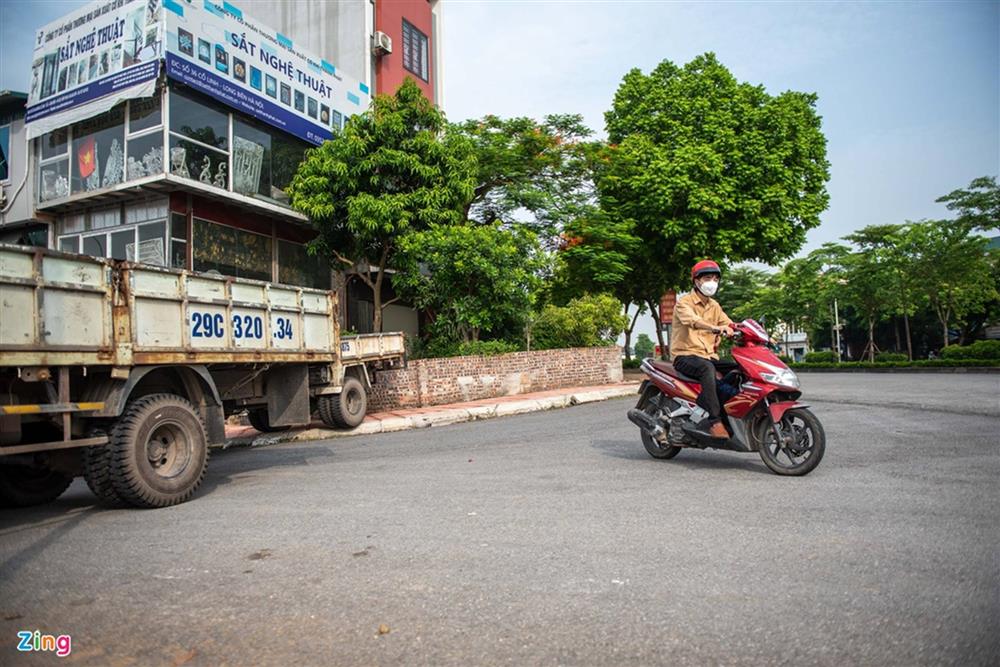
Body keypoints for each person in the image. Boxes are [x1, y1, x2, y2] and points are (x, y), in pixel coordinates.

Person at [670, 260, 736, 440]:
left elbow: (727, 323)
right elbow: (692, 321)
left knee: (738, 370)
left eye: (715, 279)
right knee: (708, 369)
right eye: (708, 278)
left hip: (708, 356)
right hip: (685, 356)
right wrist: (715, 328)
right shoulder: (684, 303)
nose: (712, 282)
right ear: (697, 281)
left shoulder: (714, 305)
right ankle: (714, 421)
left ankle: (730, 413)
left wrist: (736, 328)